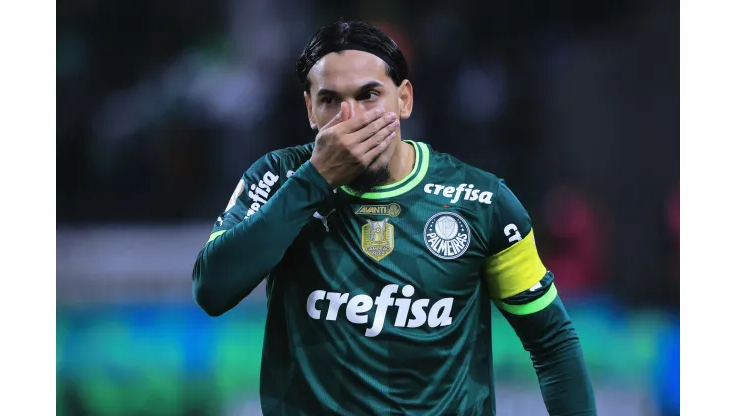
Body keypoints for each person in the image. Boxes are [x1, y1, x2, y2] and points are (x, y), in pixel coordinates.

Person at [192, 19, 596, 416]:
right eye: (330, 100)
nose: (351, 118)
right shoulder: (278, 177)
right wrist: (313, 181)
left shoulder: (481, 201)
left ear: (404, 99)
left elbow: (552, 343)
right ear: (309, 109)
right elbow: (212, 289)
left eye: (369, 95)